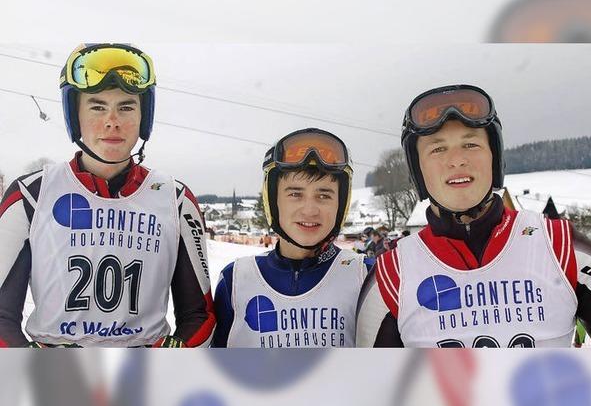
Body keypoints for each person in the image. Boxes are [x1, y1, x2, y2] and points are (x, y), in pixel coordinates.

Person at [356, 84, 591, 347]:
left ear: (495, 157)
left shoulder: (560, 247)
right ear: (418, 170)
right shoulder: (391, 275)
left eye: (471, 144)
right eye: (438, 148)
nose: (457, 160)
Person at [0, 43, 214, 347]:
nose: (112, 120)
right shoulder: (31, 194)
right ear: (75, 115)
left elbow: (200, 315)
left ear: (144, 115)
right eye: (97, 106)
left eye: (126, 106)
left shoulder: (175, 199)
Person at [212, 128, 368, 347]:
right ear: (273, 201)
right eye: (295, 194)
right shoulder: (236, 280)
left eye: (324, 195)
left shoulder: (367, 276)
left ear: (340, 204)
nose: (310, 210)